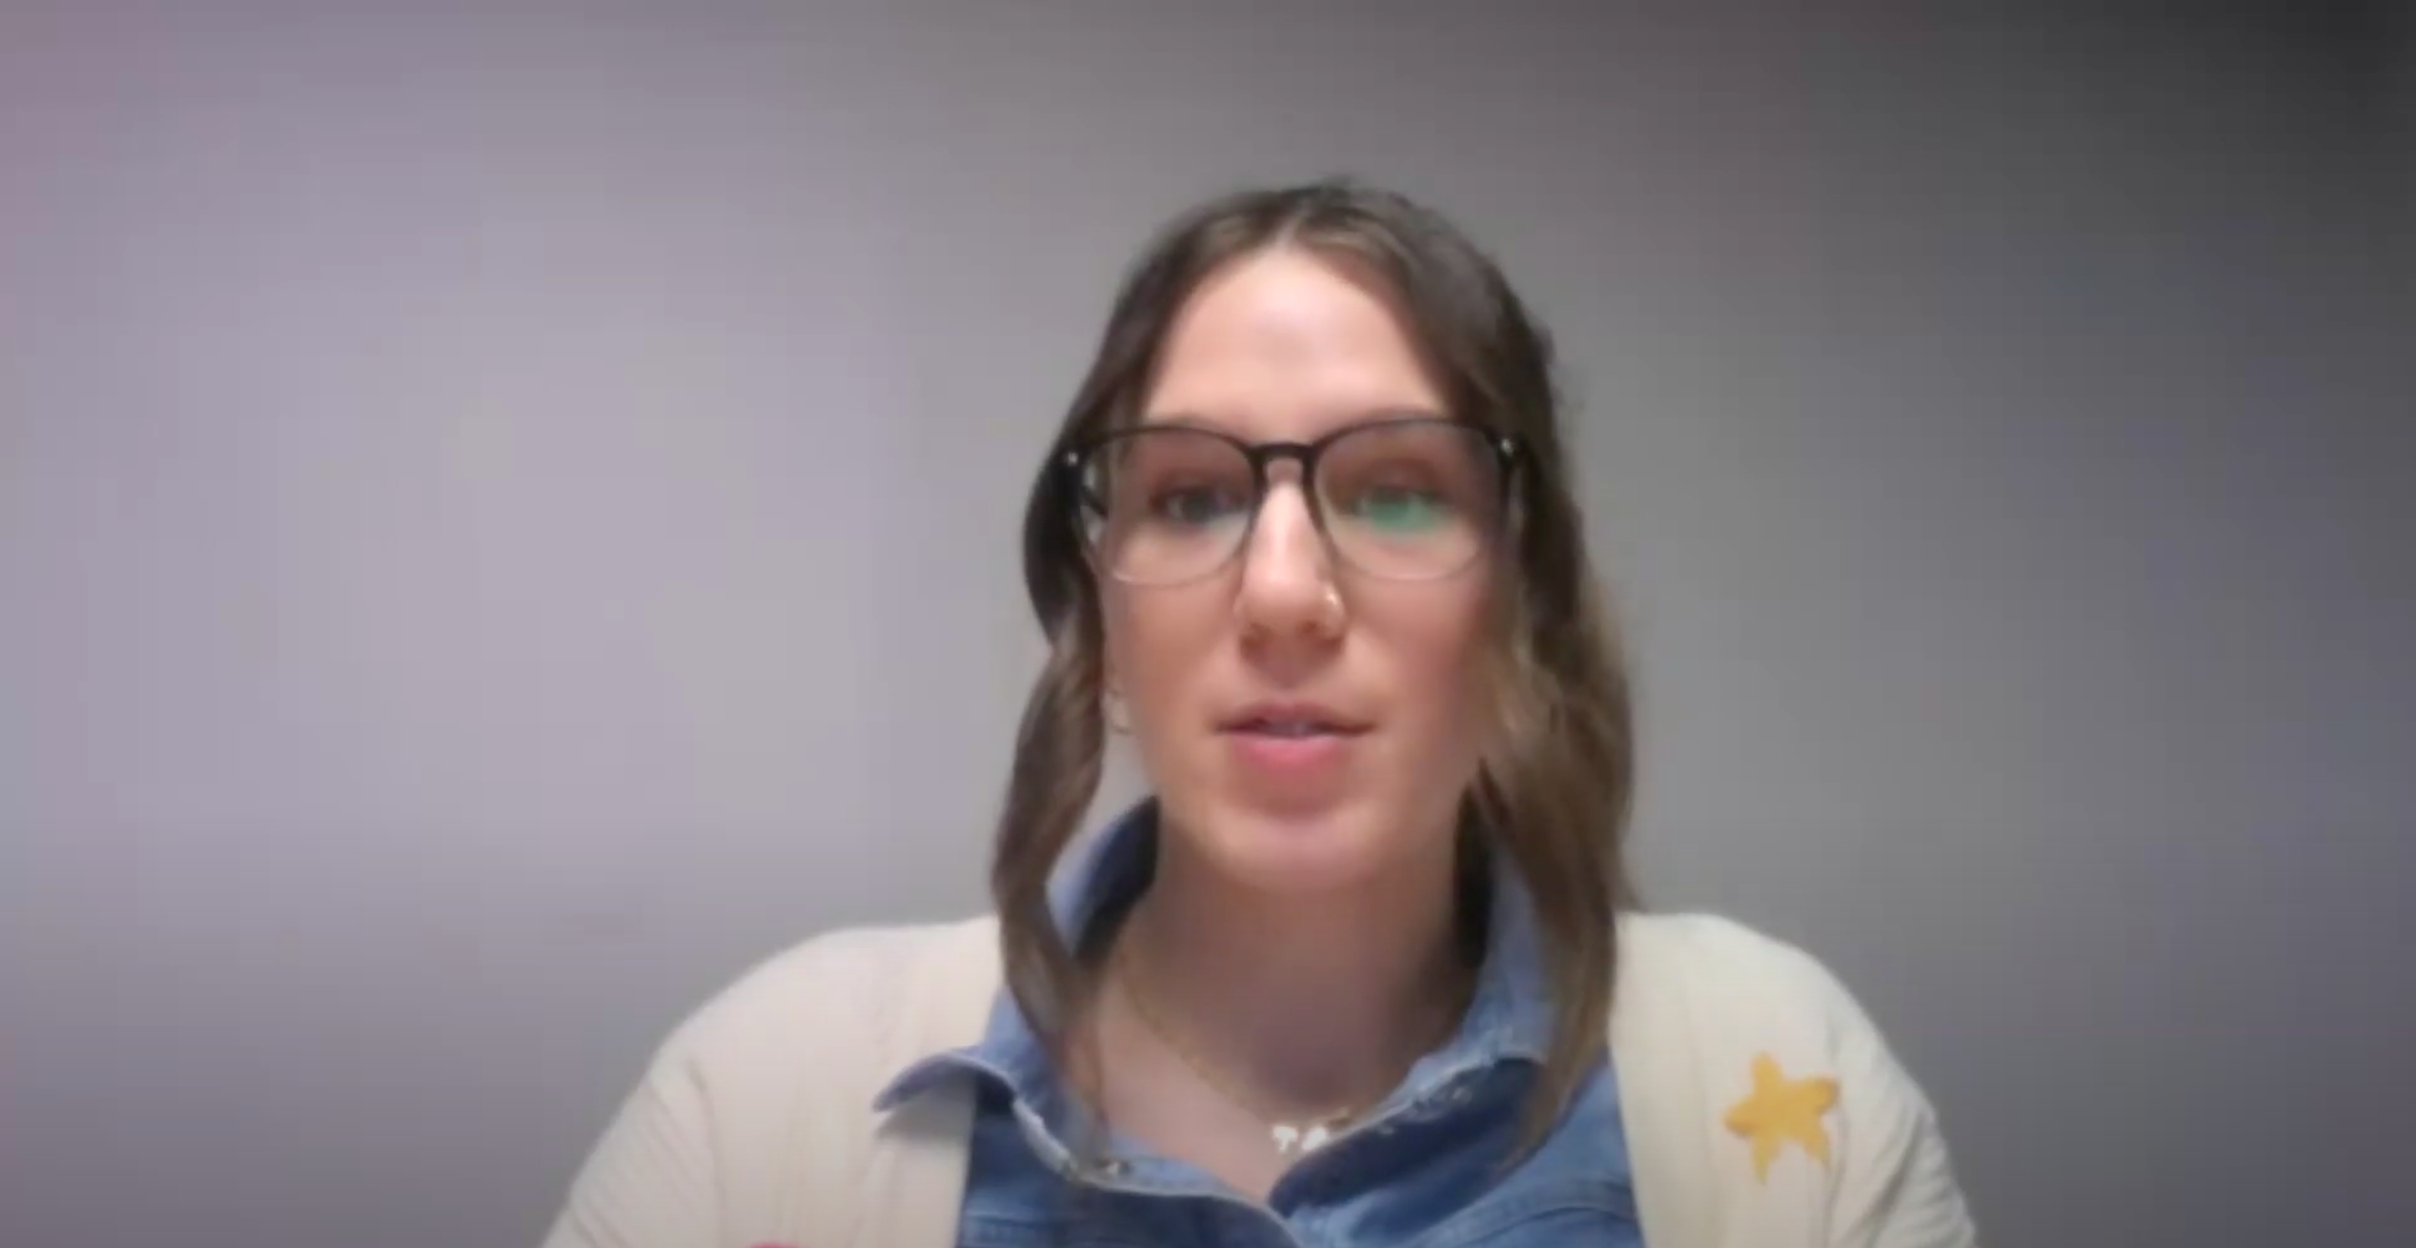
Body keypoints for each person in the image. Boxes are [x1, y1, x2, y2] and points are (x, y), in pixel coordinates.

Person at [541, 180, 1978, 1248]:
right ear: (1101, 620)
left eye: (1399, 487)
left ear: (1522, 607)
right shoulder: (765, 1111)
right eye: (1192, 497)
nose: (1284, 591)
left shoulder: (1789, 1094)